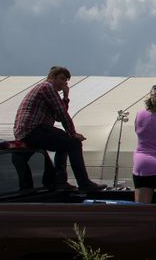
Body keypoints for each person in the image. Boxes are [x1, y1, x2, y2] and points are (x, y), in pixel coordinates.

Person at [13, 66, 105, 194]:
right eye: (62, 79)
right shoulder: (47, 87)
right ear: (52, 77)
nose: (64, 83)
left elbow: (57, 116)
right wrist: (73, 133)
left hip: (28, 130)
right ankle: (83, 182)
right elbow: (62, 114)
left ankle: (58, 181)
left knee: (64, 144)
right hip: (33, 128)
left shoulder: (48, 91)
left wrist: (66, 96)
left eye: (66, 81)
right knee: (74, 143)